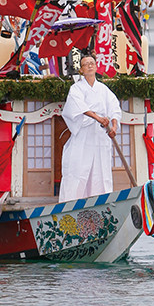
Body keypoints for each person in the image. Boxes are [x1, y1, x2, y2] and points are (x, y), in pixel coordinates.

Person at [59, 53, 122, 201]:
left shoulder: (103, 89)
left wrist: (113, 126)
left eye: (92, 63)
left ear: (96, 66)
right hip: (84, 134)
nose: (90, 65)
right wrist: (98, 117)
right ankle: (73, 202)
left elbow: (114, 107)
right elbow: (78, 107)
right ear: (81, 70)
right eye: (86, 64)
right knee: (78, 168)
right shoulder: (76, 88)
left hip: (101, 135)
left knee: (101, 172)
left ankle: (101, 201)